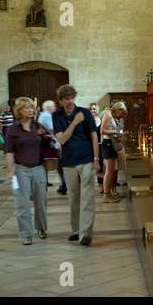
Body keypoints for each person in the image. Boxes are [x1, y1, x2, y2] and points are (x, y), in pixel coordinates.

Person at [52, 85, 100, 246]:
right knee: (74, 198)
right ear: (60, 101)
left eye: (72, 97)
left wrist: (96, 159)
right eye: (66, 99)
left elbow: (94, 137)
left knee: (87, 197)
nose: (70, 101)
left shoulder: (84, 112)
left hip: (86, 159)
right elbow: (62, 139)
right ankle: (77, 230)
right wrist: (74, 122)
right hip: (69, 161)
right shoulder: (57, 116)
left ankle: (85, 234)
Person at [5, 97, 49, 245]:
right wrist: (10, 171)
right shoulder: (13, 129)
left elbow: (50, 142)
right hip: (21, 169)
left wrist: (44, 135)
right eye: (26, 108)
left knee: (41, 201)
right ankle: (26, 233)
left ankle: (41, 228)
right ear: (19, 111)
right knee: (22, 203)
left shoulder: (38, 126)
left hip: (38, 167)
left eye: (31, 107)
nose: (30, 110)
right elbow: (9, 151)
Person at [100, 101, 127, 203]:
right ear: (118, 109)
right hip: (107, 143)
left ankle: (110, 193)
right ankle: (106, 195)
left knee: (111, 172)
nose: (123, 115)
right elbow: (102, 131)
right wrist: (115, 132)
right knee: (109, 172)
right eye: (122, 113)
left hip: (111, 143)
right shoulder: (107, 115)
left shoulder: (112, 116)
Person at [38, 100, 67, 193]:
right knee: (61, 165)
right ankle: (64, 185)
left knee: (60, 165)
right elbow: (53, 129)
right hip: (52, 144)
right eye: (53, 106)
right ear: (48, 107)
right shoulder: (46, 116)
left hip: (53, 143)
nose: (55, 107)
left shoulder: (46, 115)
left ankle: (63, 185)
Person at [89, 102, 104, 193]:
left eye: (94, 109)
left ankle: (101, 186)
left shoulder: (100, 120)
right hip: (90, 147)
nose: (92, 111)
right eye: (91, 109)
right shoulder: (87, 120)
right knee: (90, 167)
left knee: (101, 166)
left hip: (100, 146)